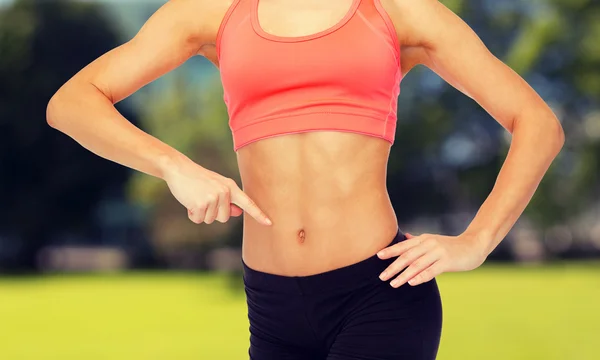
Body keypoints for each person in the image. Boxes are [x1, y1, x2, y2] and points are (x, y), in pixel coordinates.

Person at [46, 0, 564, 358]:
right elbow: (72, 101)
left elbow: (537, 123)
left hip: (378, 293)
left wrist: (475, 242)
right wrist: (175, 167)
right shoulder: (214, 12)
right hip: (272, 308)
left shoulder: (397, 11)